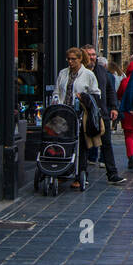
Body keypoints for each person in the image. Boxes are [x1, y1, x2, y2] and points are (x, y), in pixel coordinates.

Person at [53, 47, 103, 188]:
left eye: (73, 59)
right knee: (62, 142)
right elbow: (57, 90)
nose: (70, 61)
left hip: (80, 114)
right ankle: (62, 171)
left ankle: (80, 173)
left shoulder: (88, 74)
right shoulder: (63, 73)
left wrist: (85, 99)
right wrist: (56, 100)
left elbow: (96, 94)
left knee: (80, 144)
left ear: (80, 59)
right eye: (68, 59)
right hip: (63, 113)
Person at [84, 46, 125, 184]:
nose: (92, 57)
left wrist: (114, 107)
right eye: (89, 55)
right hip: (86, 113)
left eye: (94, 54)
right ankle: (82, 175)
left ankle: (112, 174)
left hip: (102, 112)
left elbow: (110, 90)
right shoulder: (81, 72)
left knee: (106, 143)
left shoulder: (101, 71)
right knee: (84, 144)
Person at [116, 55, 133, 170]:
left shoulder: (125, 81)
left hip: (127, 111)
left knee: (129, 135)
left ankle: (131, 155)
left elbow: (119, 95)